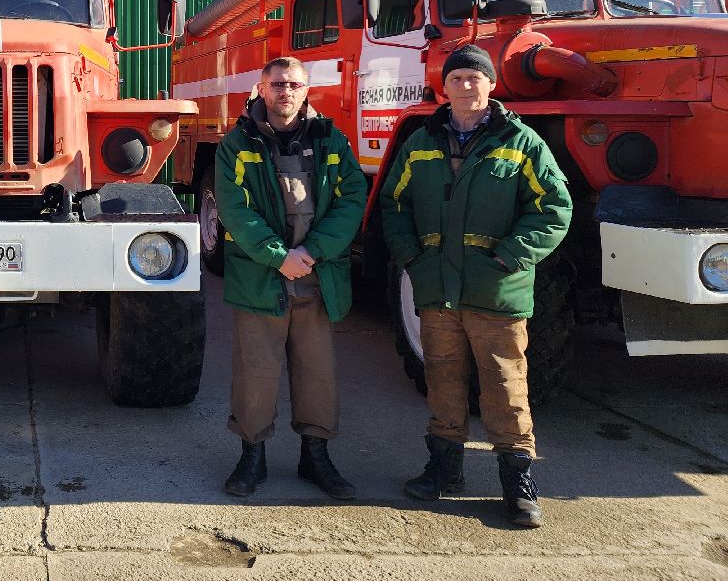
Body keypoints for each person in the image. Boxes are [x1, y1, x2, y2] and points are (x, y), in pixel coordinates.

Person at [380, 44, 571, 528]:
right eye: (458, 77)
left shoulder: (521, 143)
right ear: (444, 87)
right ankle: (444, 471)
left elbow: (554, 210)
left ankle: (518, 484)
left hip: (496, 293)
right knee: (442, 383)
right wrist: (413, 260)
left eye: (475, 77)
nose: (466, 85)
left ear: (491, 85)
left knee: (506, 388)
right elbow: (394, 206)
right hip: (437, 292)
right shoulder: (421, 142)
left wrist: (509, 257)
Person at [215, 56, 368, 499]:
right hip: (263, 277)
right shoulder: (237, 143)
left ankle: (315, 457)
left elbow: (352, 196)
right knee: (255, 373)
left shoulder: (330, 139)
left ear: (307, 91)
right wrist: (278, 256)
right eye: (277, 84)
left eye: (294, 84)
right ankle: (252, 456)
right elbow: (234, 210)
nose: (286, 91)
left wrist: (314, 252)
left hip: (316, 277)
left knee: (317, 372)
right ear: (261, 90)